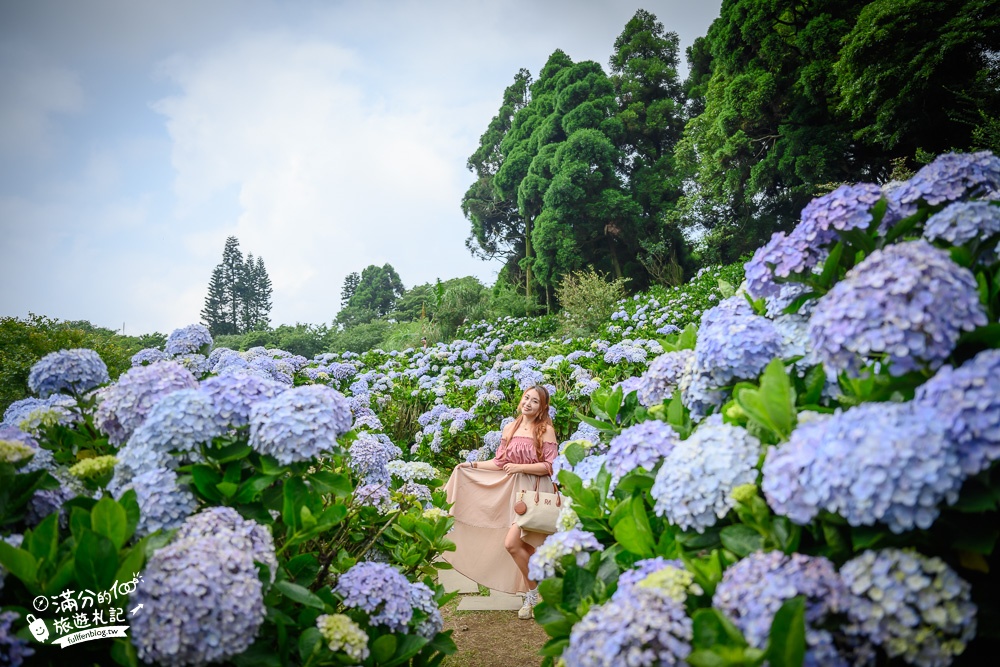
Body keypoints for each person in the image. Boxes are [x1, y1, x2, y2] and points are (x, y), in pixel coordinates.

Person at [442, 385, 558, 619]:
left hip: (534, 494)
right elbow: (499, 462)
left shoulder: (545, 430)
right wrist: (472, 465)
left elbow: (551, 466)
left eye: (535, 401)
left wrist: (520, 467)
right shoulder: (510, 427)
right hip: (513, 494)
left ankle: (534, 594)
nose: (528, 403)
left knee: (512, 543)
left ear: (542, 407)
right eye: (526, 398)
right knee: (522, 547)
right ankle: (534, 594)